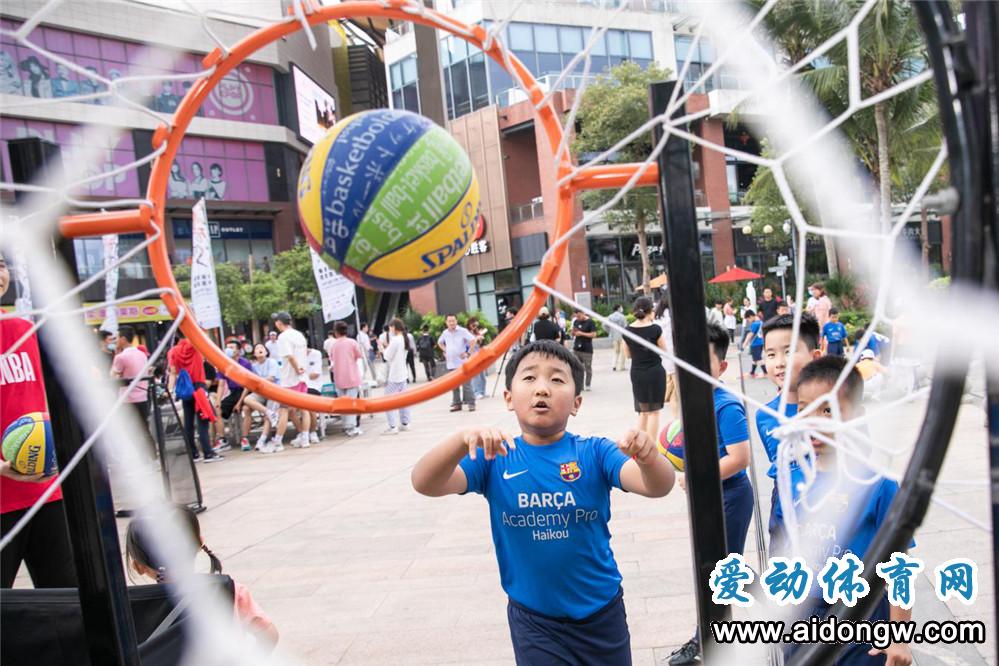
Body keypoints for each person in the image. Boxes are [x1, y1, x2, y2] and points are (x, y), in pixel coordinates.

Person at [411, 340, 674, 664]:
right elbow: (425, 482)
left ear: (576, 402)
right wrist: (460, 440)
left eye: (557, 379)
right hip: (535, 622)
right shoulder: (495, 458)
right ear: (508, 397)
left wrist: (649, 458)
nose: (543, 389)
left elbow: (658, 487)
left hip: (601, 613)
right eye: (530, 378)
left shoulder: (595, 452)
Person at [776, 356, 912, 666]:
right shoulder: (792, 479)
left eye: (828, 410)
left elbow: (900, 565)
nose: (815, 421)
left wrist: (899, 637)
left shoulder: (879, 484)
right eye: (805, 410)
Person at [669, 322, 753, 666]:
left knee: (719, 574)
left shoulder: (725, 406)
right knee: (721, 570)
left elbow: (740, 457)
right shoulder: (693, 401)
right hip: (710, 499)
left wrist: (699, 476)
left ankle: (706, 639)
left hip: (730, 498)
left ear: (722, 367)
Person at [1, 253, 78, 589]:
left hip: (46, 492)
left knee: (66, 602)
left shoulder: (24, 329)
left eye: (0, 265)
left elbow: (51, 401)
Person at [126, 505, 278, 649]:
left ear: (138, 567)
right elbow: (270, 635)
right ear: (200, 542)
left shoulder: (133, 606)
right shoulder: (230, 590)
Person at [756, 313, 821, 552]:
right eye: (771, 354)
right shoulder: (764, 416)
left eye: (789, 351)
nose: (779, 362)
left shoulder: (834, 410)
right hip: (785, 509)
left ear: (815, 356)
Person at [168, 331, 222, 462]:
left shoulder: (173, 351)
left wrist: (170, 389)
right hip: (199, 386)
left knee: (188, 422)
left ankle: (193, 453)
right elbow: (204, 337)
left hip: (185, 389)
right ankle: (208, 453)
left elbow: (173, 372)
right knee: (203, 420)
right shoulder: (195, 345)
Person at [262, 312, 310, 452]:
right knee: (304, 409)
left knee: (283, 410)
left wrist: (297, 369)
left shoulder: (283, 337)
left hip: (290, 379)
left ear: (279, 323)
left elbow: (289, 356)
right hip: (302, 378)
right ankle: (305, 438)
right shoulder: (299, 335)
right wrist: (301, 369)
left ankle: (278, 442)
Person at [623, 297, 666, 440]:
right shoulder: (655, 329)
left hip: (637, 372)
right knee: (654, 412)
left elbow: (627, 354)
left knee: (643, 412)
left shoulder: (628, 330)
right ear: (650, 311)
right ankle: (652, 445)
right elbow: (664, 350)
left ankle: (640, 444)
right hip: (654, 371)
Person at [110, 325, 155, 462]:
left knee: (130, 430)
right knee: (144, 428)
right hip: (143, 395)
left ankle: (141, 458)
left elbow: (113, 376)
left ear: (123, 339)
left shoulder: (121, 357)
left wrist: (116, 355)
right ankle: (152, 457)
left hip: (127, 399)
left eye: (117, 338)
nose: (116, 341)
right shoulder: (142, 354)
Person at [215, 338, 254, 451]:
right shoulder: (223, 364)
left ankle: (244, 438)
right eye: (228, 347)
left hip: (245, 391)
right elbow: (221, 385)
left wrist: (239, 403)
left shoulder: (245, 363)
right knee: (217, 410)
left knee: (246, 409)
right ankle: (222, 439)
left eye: (232, 347)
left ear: (238, 350)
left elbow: (248, 384)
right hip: (233, 393)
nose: (229, 349)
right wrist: (218, 400)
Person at [242, 343, 280, 450]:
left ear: (266, 352)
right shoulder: (253, 366)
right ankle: (269, 412)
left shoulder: (272, 362)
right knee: (247, 400)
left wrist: (257, 381)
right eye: (257, 348)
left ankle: (262, 439)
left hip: (273, 391)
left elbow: (271, 378)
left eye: (262, 348)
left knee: (267, 417)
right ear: (254, 353)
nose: (260, 350)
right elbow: (250, 383)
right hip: (261, 392)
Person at [329, 321, 364, 437]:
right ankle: (352, 426)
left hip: (339, 377)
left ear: (336, 332)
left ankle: (345, 425)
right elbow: (359, 355)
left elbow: (332, 358)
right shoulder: (352, 342)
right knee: (352, 403)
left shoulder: (333, 345)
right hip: (352, 376)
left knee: (342, 404)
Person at [438, 314, 476, 412]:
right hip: (451, 363)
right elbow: (440, 342)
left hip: (462, 363)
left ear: (456, 321)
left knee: (466, 384)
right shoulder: (445, 332)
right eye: (449, 321)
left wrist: (468, 353)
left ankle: (471, 404)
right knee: (454, 385)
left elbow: (473, 340)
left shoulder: (462, 331)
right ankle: (457, 404)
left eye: (453, 320)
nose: (452, 323)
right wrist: (445, 350)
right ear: (446, 322)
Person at [382, 318, 412, 435]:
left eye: (390, 327)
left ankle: (392, 426)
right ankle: (405, 423)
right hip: (403, 373)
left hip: (395, 375)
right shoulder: (405, 338)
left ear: (394, 327)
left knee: (388, 400)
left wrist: (383, 349)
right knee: (403, 400)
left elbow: (387, 356)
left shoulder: (395, 340)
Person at [653, 297, 679, 419]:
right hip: (675, 355)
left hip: (664, 356)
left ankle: (675, 418)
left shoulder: (657, 318)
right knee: (678, 389)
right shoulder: (672, 316)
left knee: (674, 392)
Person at [570, 309, 597, 391]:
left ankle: (588, 384)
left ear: (583, 313)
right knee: (577, 368)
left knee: (587, 367)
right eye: (576, 316)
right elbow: (573, 332)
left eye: (579, 316)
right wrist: (572, 332)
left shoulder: (590, 322)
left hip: (587, 349)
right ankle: (579, 385)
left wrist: (581, 333)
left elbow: (594, 334)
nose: (578, 318)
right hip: (577, 348)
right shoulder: (576, 322)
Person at [304, 346, 324, 444]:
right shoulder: (295, 356)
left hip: (313, 386)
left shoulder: (316, 354)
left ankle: (312, 431)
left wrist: (302, 375)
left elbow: (315, 374)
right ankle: (303, 432)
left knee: (309, 407)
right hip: (299, 386)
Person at [467, 317, 487, 399]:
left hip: (479, 354)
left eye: (476, 325)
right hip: (472, 356)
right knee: (476, 376)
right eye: (473, 325)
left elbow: (479, 344)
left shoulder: (476, 332)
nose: (475, 327)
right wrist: (477, 338)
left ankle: (482, 392)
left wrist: (480, 337)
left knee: (482, 375)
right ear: (470, 324)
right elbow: (469, 344)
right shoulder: (467, 333)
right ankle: (476, 392)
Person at [740, 310, 763, 378]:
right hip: (760, 342)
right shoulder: (761, 322)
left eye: (748, 319)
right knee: (755, 359)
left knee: (758, 358)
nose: (748, 321)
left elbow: (750, 334)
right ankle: (752, 372)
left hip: (755, 343)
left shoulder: (755, 324)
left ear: (750, 316)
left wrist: (744, 344)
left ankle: (765, 372)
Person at [608, 304, 628, 372]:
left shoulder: (610, 317)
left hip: (614, 336)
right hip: (622, 336)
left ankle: (614, 366)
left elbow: (605, 325)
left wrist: (610, 331)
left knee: (616, 352)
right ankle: (621, 366)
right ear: (619, 308)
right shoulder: (622, 317)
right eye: (621, 307)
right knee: (622, 352)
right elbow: (625, 326)